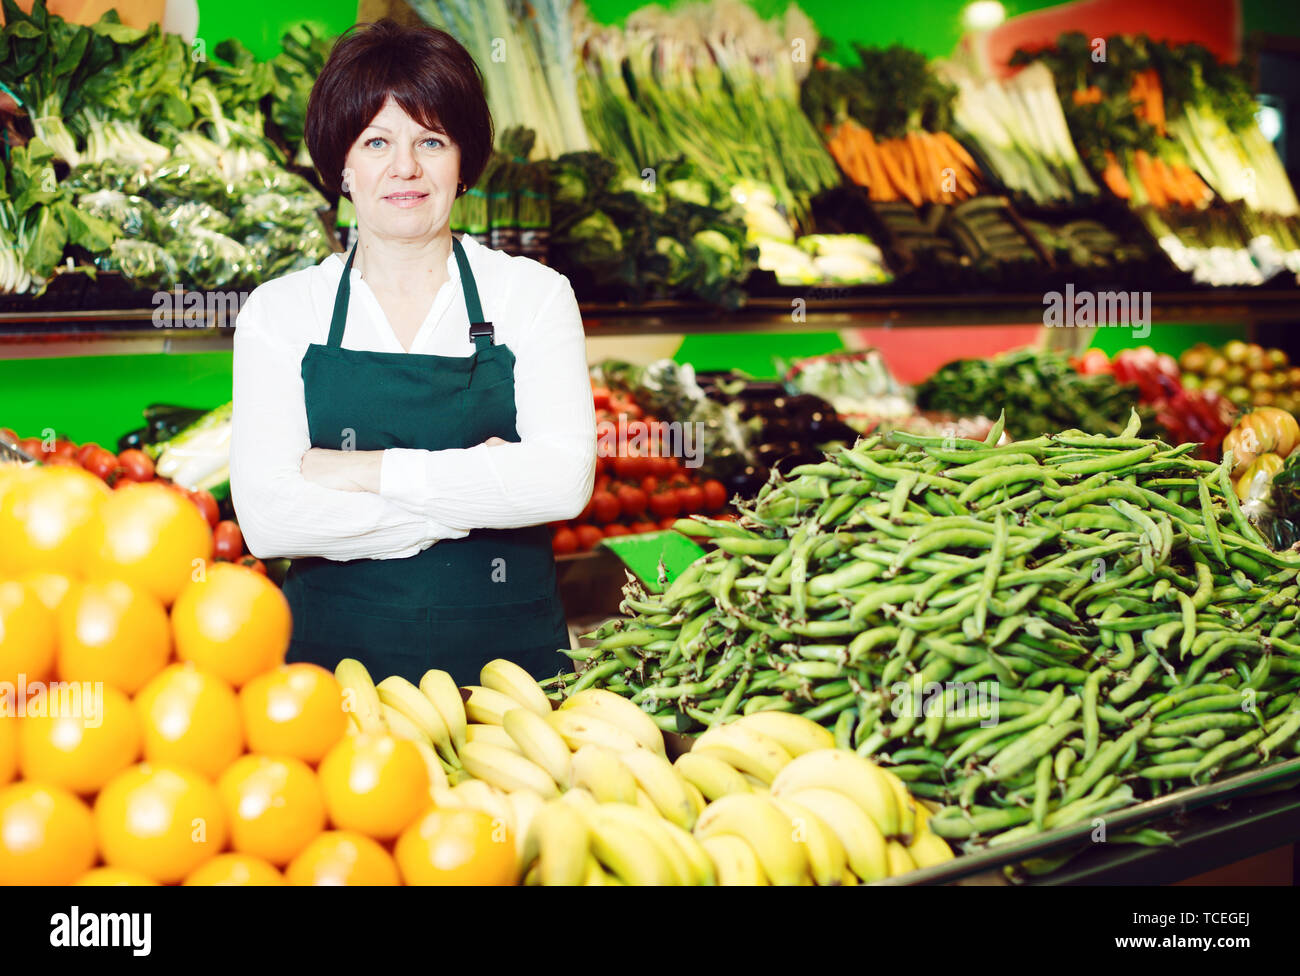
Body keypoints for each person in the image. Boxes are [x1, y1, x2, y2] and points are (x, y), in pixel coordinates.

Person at [229, 19, 595, 686]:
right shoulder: (280, 313)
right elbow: (270, 521)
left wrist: (368, 470)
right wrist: (474, 496)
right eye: (376, 142)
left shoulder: (534, 296)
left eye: (432, 140)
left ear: (463, 164)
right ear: (343, 164)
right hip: (329, 682)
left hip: (515, 682)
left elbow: (561, 484)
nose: (405, 168)